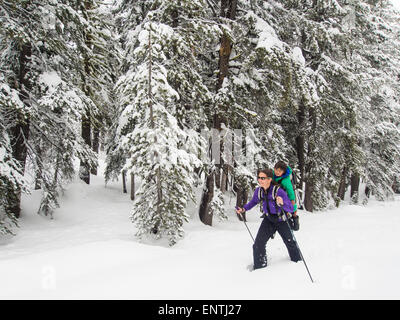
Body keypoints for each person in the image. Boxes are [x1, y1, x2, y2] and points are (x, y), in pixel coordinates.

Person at [236, 168, 301, 270]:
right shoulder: (259, 191)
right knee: (258, 244)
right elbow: (253, 202)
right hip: (269, 220)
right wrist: (243, 209)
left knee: (290, 243)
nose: (260, 180)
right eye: (259, 178)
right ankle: (260, 268)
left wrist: (283, 203)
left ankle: (297, 263)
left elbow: (291, 208)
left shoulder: (279, 191)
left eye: (263, 178)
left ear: (270, 179)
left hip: (282, 220)